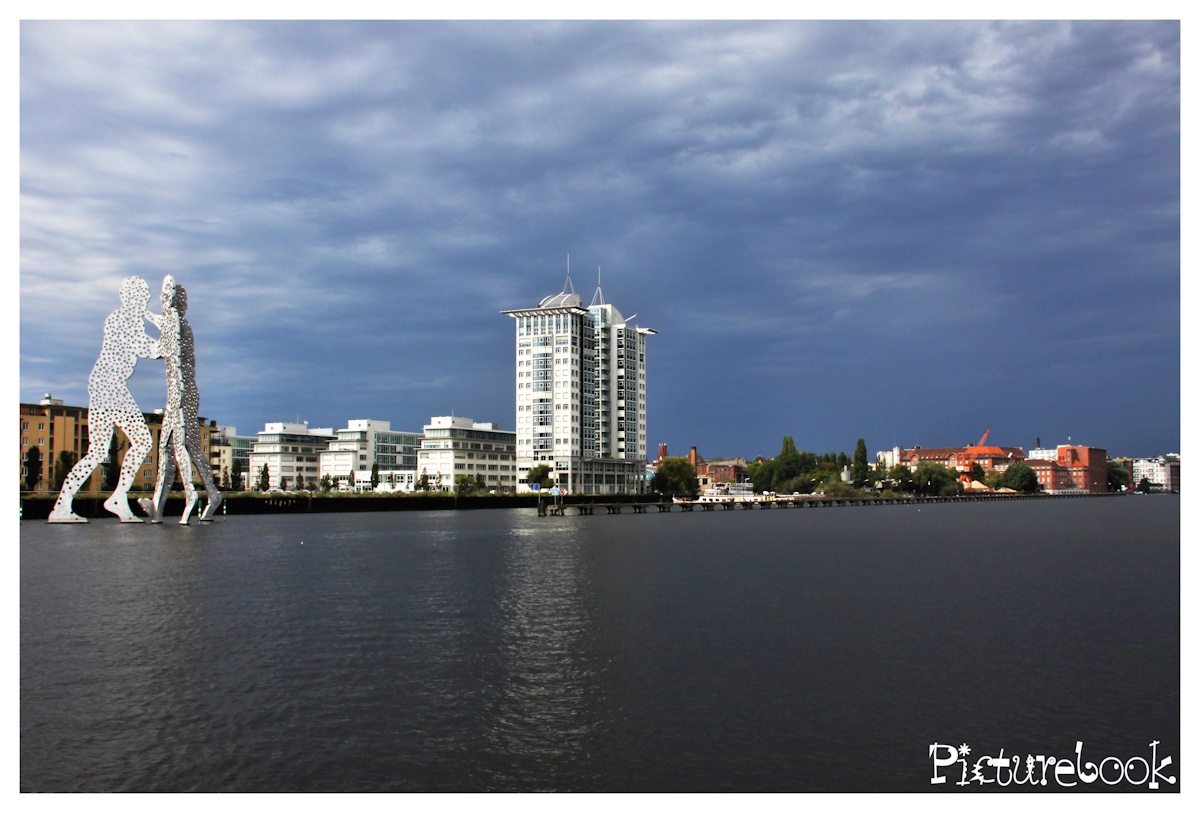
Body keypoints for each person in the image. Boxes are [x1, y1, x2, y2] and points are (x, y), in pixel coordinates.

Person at [48, 277, 160, 523]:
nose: (147, 300)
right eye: (143, 295)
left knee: (98, 451)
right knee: (142, 441)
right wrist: (169, 334)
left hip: (102, 386)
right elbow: (148, 349)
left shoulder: (124, 318)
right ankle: (118, 497)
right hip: (111, 389)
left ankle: (62, 505)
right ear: (131, 297)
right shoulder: (124, 320)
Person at [138, 275, 198, 524]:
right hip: (181, 396)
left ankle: (189, 495)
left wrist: (134, 341)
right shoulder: (181, 323)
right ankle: (159, 507)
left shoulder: (174, 320)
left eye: (166, 295)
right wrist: (147, 315)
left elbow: (159, 349)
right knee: (170, 450)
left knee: (173, 448)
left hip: (179, 398)